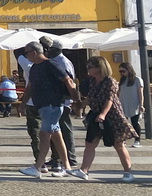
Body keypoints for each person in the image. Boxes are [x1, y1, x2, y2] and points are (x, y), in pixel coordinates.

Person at [71, 56, 138, 181]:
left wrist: (103, 114)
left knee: (118, 144)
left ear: (99, 68)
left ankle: (128, 172)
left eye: (90, 67)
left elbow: (110, 100)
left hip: (112, 116)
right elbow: (90, 98)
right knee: (90, 143)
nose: (88, 70)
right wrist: (80, 105)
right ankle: (83, 170)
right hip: (96, 114)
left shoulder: (110, 81)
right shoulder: (92, 81)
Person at [18, 41, 78, 179]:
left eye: (26, 53)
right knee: (57, 136)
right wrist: (23, 103)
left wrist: (75, 99)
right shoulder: (34, 68)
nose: (25, 56)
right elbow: (30, 87)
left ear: (34, 53)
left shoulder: (51, 64)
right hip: (43, 106)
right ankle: (67, 167)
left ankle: (37, 167)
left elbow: (68, 80)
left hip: (53, 105)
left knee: (44, 135)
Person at [40, 37, 78, 174]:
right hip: (57, 101)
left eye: (49, 49)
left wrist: (72, 99)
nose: (47, 51)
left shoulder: (62, 62)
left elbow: (68, 81)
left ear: (55, 49)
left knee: (65, 130)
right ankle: (59, 157)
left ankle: (71, 157)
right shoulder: (57, 61)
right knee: (57, 131)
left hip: (63, 101)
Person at [118, 62, 144, 147]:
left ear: (129, 70)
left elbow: (140, 93)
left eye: (123, 71)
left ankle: (137, 140)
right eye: (120, 71)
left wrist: (141, 104)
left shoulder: (137, 79)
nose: (122, 73)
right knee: (123, 123)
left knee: (134, 122)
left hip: (134, 104)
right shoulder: (122, 80)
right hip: (123, 104)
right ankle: (123, 139)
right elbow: (119, 92)